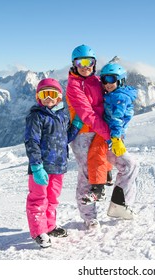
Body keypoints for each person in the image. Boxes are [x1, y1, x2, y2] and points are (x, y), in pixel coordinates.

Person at [24, 78, 83, 248]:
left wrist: (76, 125)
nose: (48, 98)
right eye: (44, 94)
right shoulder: (36, 116)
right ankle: (39, 231)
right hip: (41, 166)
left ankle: (50, 226)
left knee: (52, 199)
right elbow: (31, 141)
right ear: (38, 97)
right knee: (38, 198)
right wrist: (36, 165)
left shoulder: (62, 116)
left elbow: (65, 138)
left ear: (59, 97)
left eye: (52, 94)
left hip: (58, 166)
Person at [65, 44, 112, 229]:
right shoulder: (73, 86)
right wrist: (108, 134)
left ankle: (120, 203)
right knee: (86, 176)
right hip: (84, 135)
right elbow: (87, 114)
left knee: (110, 166)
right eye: (80, 62)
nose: (85, 66)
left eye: (89, 62)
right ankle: (89, 217)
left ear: (94, 63)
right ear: (74, 64)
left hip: (101, 133)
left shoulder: (97, 81)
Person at [100, 62, 139, 220]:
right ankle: (119, 205)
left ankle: (121, 204)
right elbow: (116, 119)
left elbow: (118, 118)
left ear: (121, 80)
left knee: (128, 167)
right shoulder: (118, 96)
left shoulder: (119, 96)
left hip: (115, 138)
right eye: (104, 80)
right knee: (130, 165)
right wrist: (115, 139)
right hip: (112, 139)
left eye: (111, 79)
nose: (107, 83)